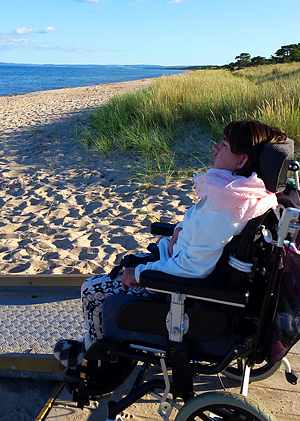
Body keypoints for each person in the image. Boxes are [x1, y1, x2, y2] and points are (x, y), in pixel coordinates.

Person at [54, 119, 286, 368]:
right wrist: (180, 230)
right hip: (175, 264)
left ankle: (96, 361)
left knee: (92, 289)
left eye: (225, 144)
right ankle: (101, 345)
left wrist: (141, 274)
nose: (215, 147)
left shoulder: (226, 207)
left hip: (177, 288)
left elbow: (194, 266)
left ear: (241, 160)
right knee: (124, 268)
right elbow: (204, 234)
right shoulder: (247, 195)